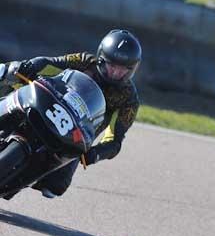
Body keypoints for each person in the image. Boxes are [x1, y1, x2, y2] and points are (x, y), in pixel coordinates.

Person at [1, 29, 141, 198]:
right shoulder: (85, 61)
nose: (116, 73)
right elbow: (50, 64)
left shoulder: (129, 99)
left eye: (123, 69)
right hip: (48, 106)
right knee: (10, 74)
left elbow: (115, 140)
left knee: (55, 186)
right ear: (101, 58)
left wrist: (95, 154)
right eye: (112, 66)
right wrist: (29, 66)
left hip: (74, 137)